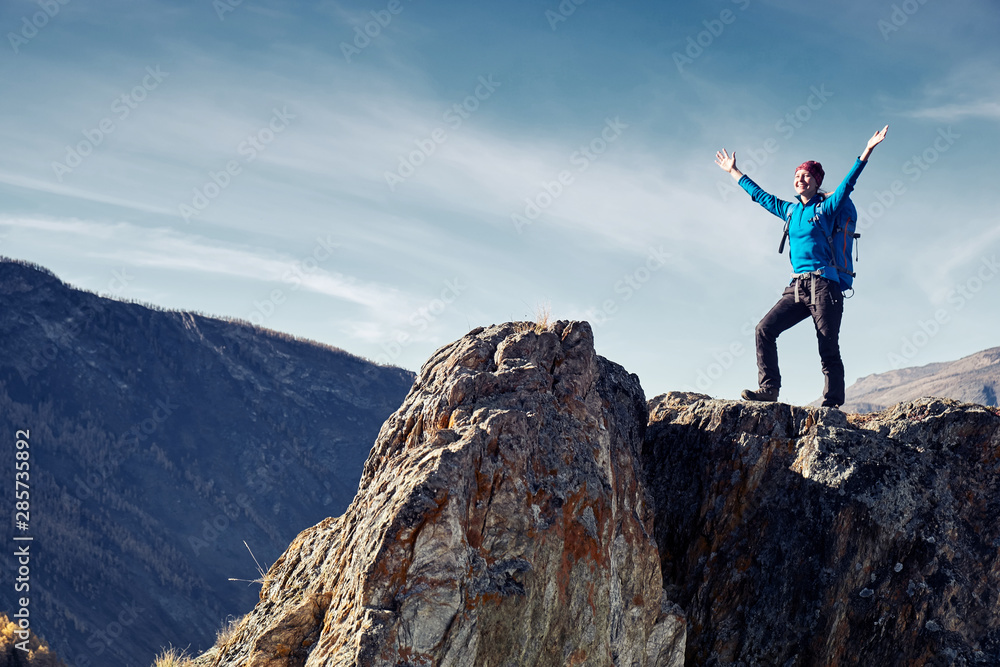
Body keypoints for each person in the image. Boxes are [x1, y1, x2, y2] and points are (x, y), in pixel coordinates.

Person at [714, 125, 888, 408]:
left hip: (825, 286)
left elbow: (848, 184)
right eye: (797, 176)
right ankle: (769, 389)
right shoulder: (791, 211)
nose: (800, 179)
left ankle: (832, 404)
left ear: (817, 182)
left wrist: (867, 150)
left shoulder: (826, 208)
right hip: (797, 286)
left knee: (827, 347)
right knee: (764, 329)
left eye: (806, 176)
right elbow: (760, 196)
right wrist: (734, 171)